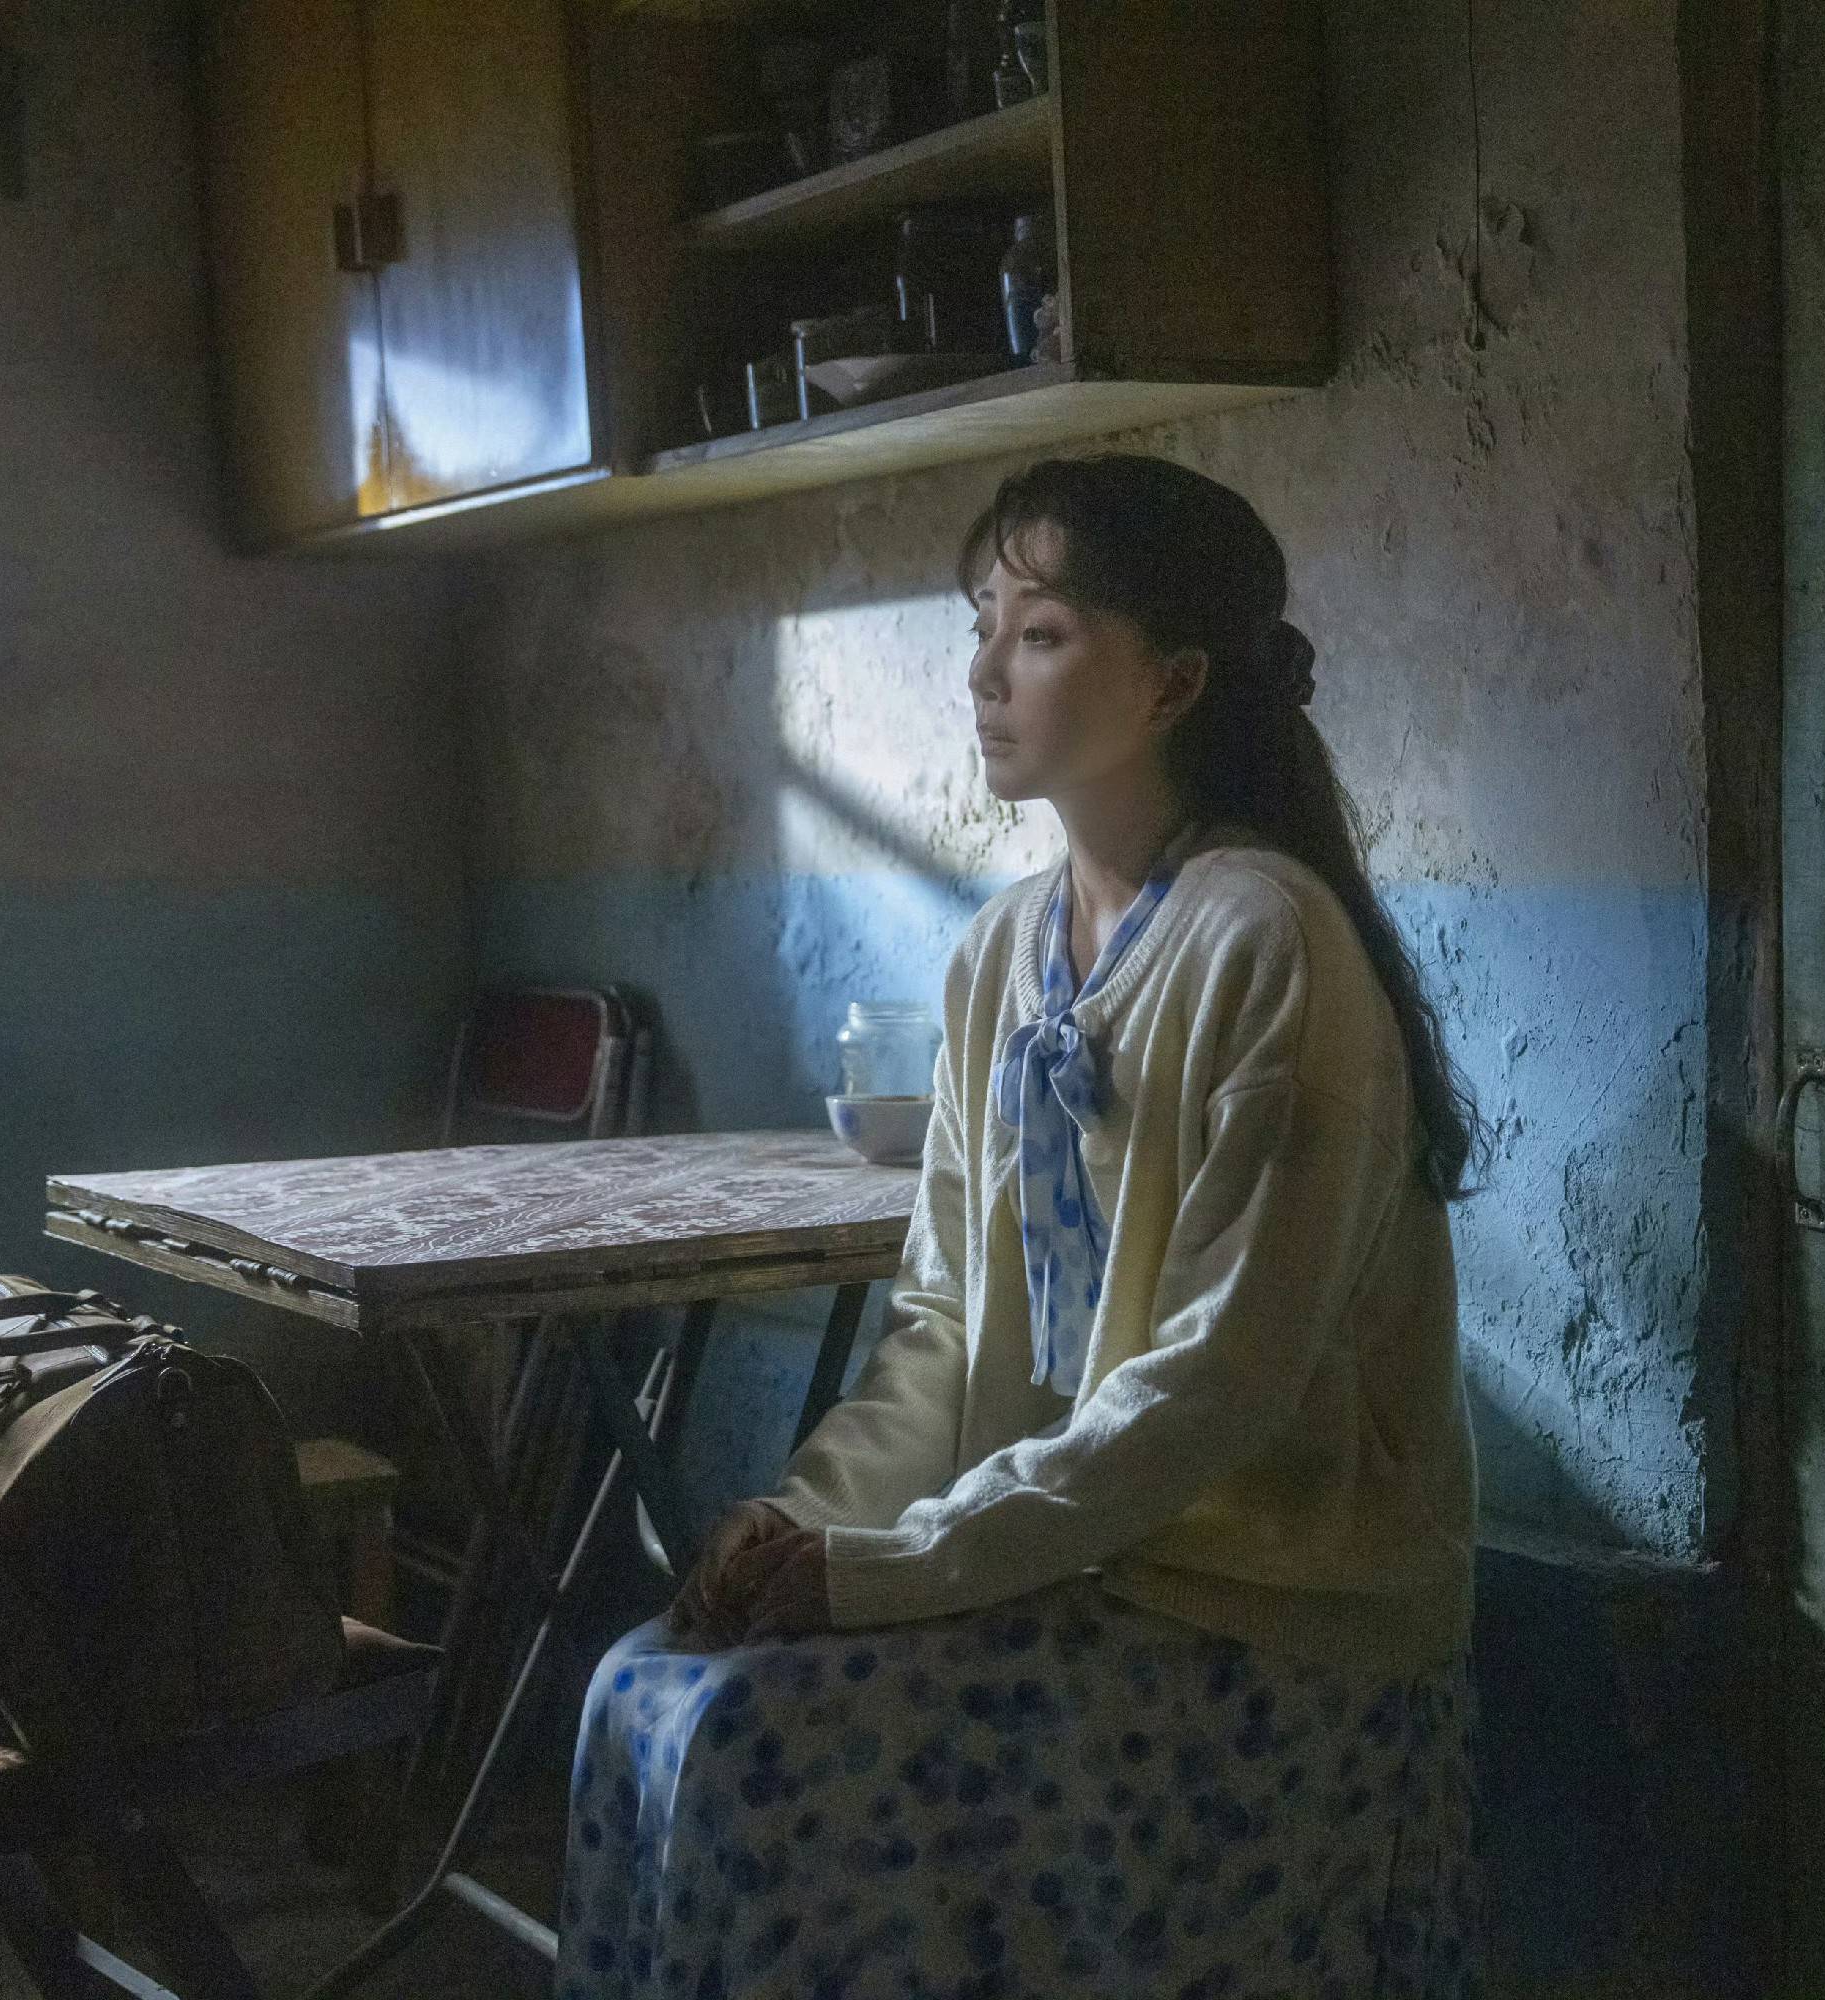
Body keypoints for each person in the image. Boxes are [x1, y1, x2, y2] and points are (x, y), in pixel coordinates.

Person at [554, 453, 1489, 2000]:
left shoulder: (1269, 944)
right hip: (1065, 1564)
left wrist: (902, 1567)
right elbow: (943, 1322)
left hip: (1261, 1614)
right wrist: (808, 1522)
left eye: (1039, 632)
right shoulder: (1001, 956)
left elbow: (1218, 1381)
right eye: (980, 625)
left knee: (749, 1742)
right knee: (638, 1684)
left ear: (1176, 681)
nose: (984, 671)